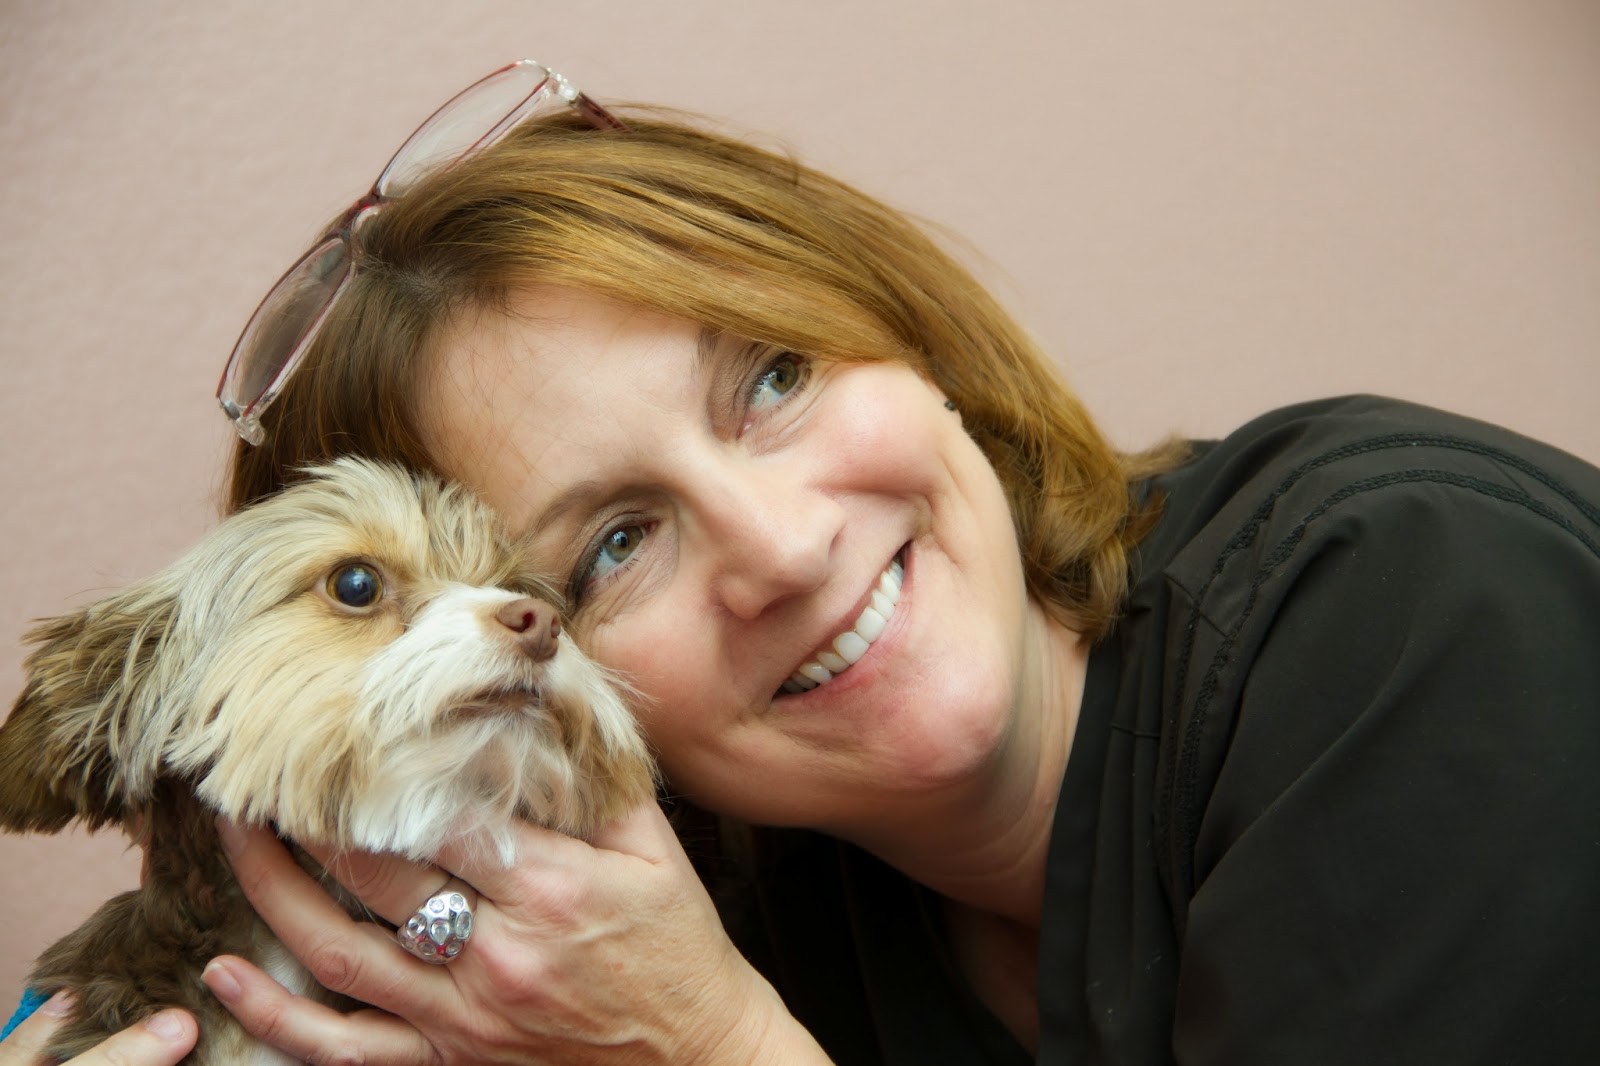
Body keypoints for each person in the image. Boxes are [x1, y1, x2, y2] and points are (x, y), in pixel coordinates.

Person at [6, 59, 1599, 1065]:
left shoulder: (1411, 612)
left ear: (899, 329)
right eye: (612, 547)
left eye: (773, 377)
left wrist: (718, 1048)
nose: (782, 544)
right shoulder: (728, 912)